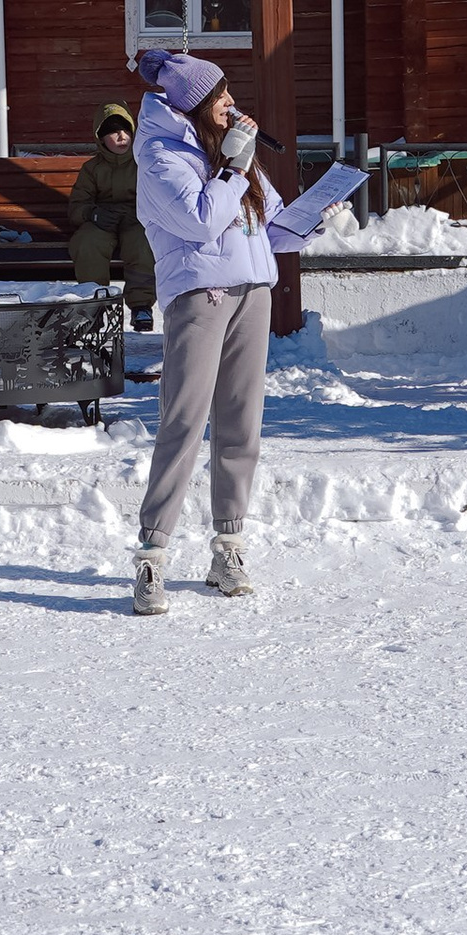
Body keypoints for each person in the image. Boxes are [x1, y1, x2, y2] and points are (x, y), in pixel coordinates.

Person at [129, 46, 306, 613]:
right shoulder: (160, 155)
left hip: (253, 291)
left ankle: (228, 549)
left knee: (240, 422)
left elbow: (267, 223)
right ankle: (152, 556)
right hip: (200, 296)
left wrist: (308, 221)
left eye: (230, 92)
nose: (231, 102)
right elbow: (201, 220)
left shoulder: (229, 147)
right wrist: (231, 168)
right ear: (195, 104)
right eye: (220, 95)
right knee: (183, 421)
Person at [69, 101, 156, 331]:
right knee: (87, 242)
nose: (121, 136)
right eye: (113, 132)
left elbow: (158, 195)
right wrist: (93, 213)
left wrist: (145, 213)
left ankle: (141, 304)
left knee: (143, 242)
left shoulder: (142, 163)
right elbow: (77, 206)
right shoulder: (92, 169)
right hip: (103, 219)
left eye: (125, 130)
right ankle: (95, 305)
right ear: (100, 138)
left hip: (137, 218)